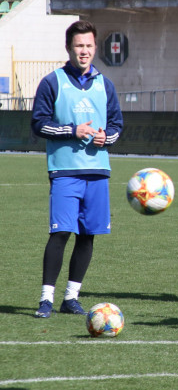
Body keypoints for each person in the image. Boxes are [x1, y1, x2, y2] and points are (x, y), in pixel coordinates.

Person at [30, 20, 124, 318]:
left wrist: (104, 137)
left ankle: (71, 298)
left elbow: (117, 126)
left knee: (88, 235)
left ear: (95, 48)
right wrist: (73, 130)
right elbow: (39, 124)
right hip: (65, 171)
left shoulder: (105, 84)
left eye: (88, 46)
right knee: (60, 233)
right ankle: (46, 299)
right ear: (68, 48)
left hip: (98, 170)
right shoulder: (52, 82)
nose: (84, 51)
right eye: (78, 46)